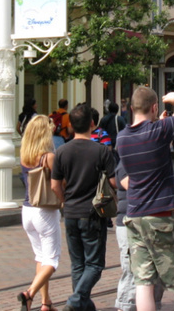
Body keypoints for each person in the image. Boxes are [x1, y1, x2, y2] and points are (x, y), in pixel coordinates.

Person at [116, 86, 174, 311]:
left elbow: (152, 170)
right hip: (161, 217)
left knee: (144, 281)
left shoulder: (122, 138)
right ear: (154, 107)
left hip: (135, 215)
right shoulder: (160, 130)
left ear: (131, 108)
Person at [51, 103, 115, 311]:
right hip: (93, 213)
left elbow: (55, 185)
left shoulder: (62, 151)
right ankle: (76, 301)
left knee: (78, 264)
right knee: (95, 264)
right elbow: (113, 183)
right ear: (91, 124)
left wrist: (64, 202)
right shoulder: (101, 151)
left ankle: (82, 305)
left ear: (71, 126)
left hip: (70, 212)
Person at [17, 115, 61, 311]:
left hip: (27, 210)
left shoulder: (24, 155)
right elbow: (58, 184)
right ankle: (30, 293)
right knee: (52, 261)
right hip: (44, 211)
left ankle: (46, 302)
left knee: (40, 257)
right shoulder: (48, 156)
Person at [113, 159, 164, 311]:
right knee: (131, 268)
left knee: (156, 268)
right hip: (129, 222)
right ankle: (126, 306)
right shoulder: (125, 163)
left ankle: (153, 304)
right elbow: (133, 187)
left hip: (153, 220)